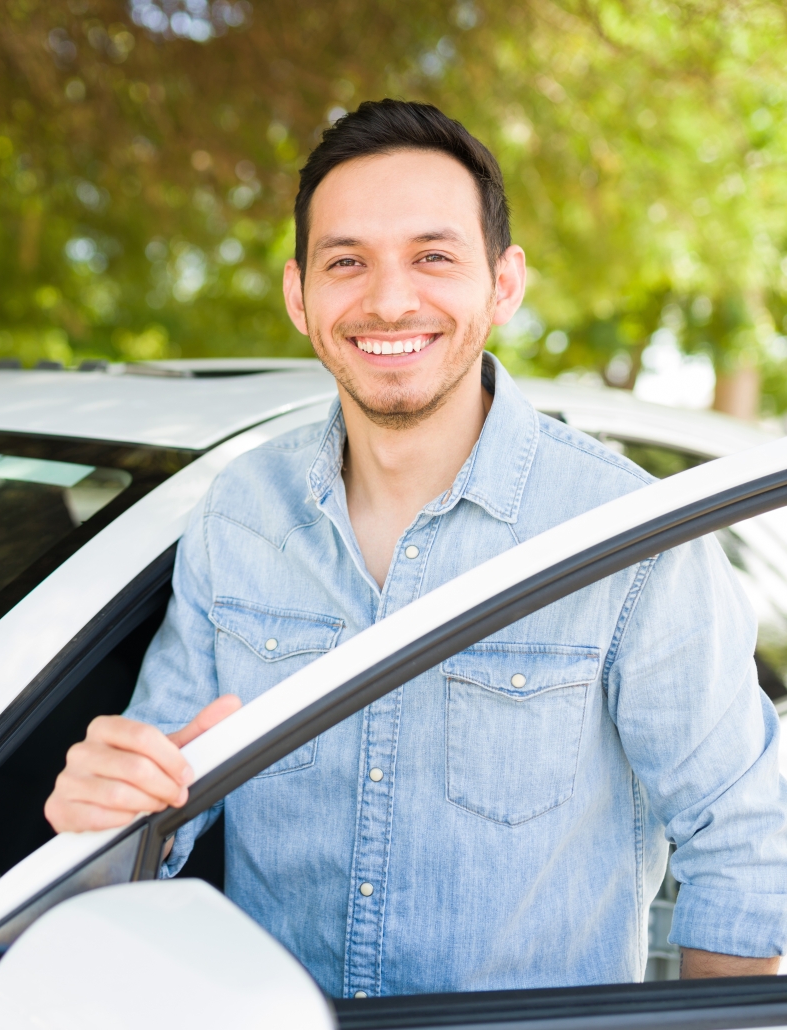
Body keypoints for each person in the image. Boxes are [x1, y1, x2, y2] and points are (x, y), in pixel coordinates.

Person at [45, 100, 787, 995]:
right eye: (346, 262)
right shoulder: (236, 515)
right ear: (298, 296)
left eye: (433, 257)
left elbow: (745, 840)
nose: (390, 299)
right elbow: (152, 819)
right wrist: (104, 819)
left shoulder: (627, 533)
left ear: (503, 283)